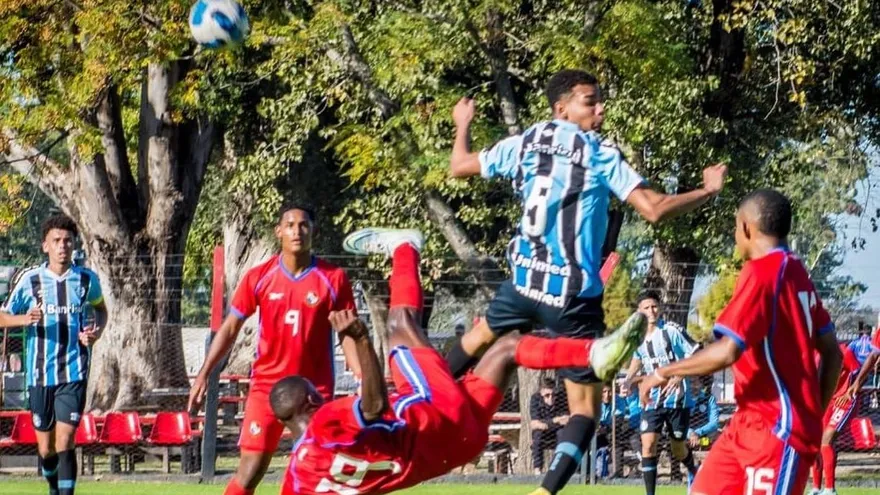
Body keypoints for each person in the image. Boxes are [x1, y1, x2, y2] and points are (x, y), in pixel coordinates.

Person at [445, 68, 727, 495]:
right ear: (562, 108)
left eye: (599, 100)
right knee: (585, 411)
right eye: (589, 101)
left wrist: (462, 124)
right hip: (571, 296)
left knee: (479, 336)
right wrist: (706, 191)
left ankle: (418, 405)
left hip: (523, 282)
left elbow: (459, 166)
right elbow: (652, 209)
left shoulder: (525, 142)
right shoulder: (598, 152)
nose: (600, 108)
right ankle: (545, 491)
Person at [274, 228, 648, 495]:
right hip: (431, 415)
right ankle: (405, 246)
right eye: (315, 392)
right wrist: (358, 338)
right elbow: (373, 407)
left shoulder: (298, 479)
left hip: (456, 450)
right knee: (400, 324)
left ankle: (588, 353)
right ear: (311, 400)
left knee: (507, 349)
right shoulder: (323, 423)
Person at [639, 189, 843, 495]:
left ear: (747, 227)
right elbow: (833, 354)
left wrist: (663, 372)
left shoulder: (763, 273)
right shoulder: (797, 271)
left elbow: (728, 350)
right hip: (745, 425)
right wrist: (813, 414)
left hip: (776, 432)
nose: (736, 236)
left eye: (736, 228)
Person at [188, 204, 361, 495]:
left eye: (304, 225)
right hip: (268, 388)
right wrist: (204, 373)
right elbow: (230, 327)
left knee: (314, 471)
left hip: (313, 393)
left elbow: (347, 332)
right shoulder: (260, 276)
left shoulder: (333, 278)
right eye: (290, 225)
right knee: (250, 470)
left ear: (312, 231)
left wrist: (361, 375)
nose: (297, 231)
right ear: (278, 232)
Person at [0, 214, 108, 495]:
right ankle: (52, 485)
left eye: (68, 241)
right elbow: (2, 316)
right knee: (46, 448)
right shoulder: (30, 280)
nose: (63, 246)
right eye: (57, 241)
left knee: (66, 441)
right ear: (45, 246)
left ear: (74, 245)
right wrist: (23, 319)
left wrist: (95, 332)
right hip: (39, 375)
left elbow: (101, 310)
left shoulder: (86, 280)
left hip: (73, 371)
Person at [623, 291, 700, 492]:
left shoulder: (672, 330)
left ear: (660, 308)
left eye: (654, 306)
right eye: (646, 307)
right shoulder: (637, 336)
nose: (651, 311)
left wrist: (679, 376)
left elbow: (696, 353)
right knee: (647, 444)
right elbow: (638, 358)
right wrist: (628, 379)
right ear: (639, 311)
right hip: (651, 399)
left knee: (678, 449)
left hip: (678, 399)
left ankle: (694, 469)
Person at [810, 328, 880, 495]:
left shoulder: (840, 351)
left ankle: (830, 490)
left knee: (826, 440)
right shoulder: (809, 354)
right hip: (826, 401)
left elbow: (857, 371)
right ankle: (816, 489)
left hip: (845, 401)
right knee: (817, 443)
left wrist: (851, 389)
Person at [530, 378, 569, 475]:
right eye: (547, 395)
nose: (551, 398)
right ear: (541, 393)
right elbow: (534, 424)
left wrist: (545, 424)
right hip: (543, 432)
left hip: (557, 430)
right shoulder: (535, 399)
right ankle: (537, 469)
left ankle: (554, 469)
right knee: (537, 435)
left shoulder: (561, 398)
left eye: (553, 395)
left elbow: (566, 419)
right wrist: (555, 420)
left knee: (562, 434)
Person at [688, 374, 720, 447]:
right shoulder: (683, 399)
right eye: (690, 382)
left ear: (702, 383)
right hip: (686, 433)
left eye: (694, 382)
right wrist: (690, 433)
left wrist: (697, 433)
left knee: (715, 435)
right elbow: (679, 422)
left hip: (703, 433)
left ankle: (698, 443)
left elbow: (714, 422)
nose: (692, 385)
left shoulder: (709, 398)